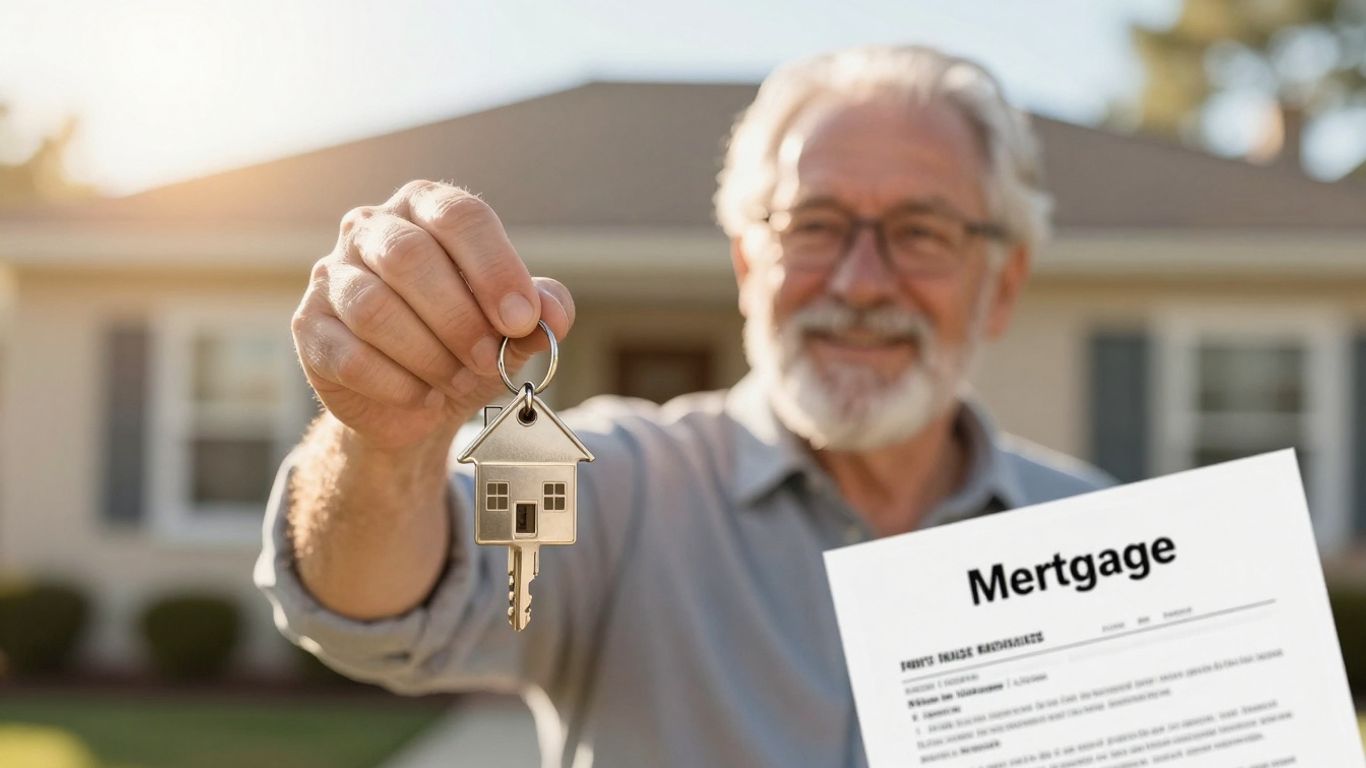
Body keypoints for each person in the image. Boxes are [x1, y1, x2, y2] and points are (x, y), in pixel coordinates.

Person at [256, 43, 1111, 767]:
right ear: (748, 265)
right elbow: (374, 610)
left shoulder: (1106, 536)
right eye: (813, 224)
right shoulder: (620, 487)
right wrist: (386, 447)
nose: (858, 283)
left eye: (921, 233)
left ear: (1001, 286)